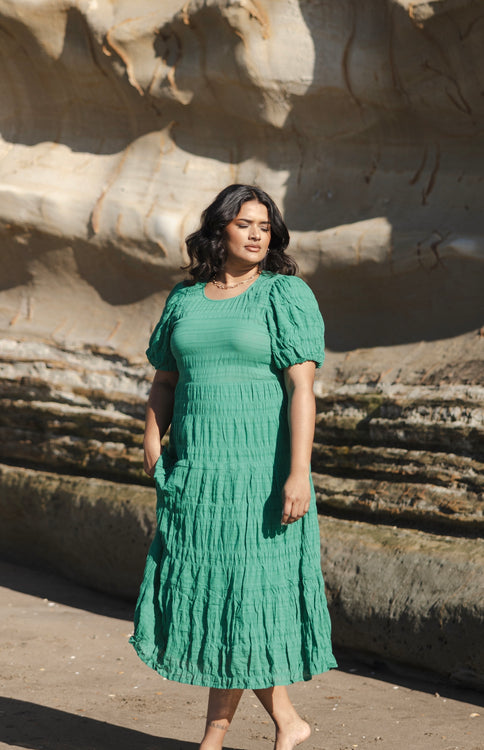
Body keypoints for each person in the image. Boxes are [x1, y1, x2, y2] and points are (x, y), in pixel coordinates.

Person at [130, 184, 336, 750]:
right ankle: (279, 725)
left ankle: (217, 739)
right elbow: (164, 380)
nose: (254, 234)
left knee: (245, 597)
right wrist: (152, 439)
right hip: (198, 473)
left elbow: (302, 390)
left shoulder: (284, 294)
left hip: (261, 477)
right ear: (219, 230)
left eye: (264, 227)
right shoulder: (185, 299)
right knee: (221, 595)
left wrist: (299, 472)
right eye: (244, 223)